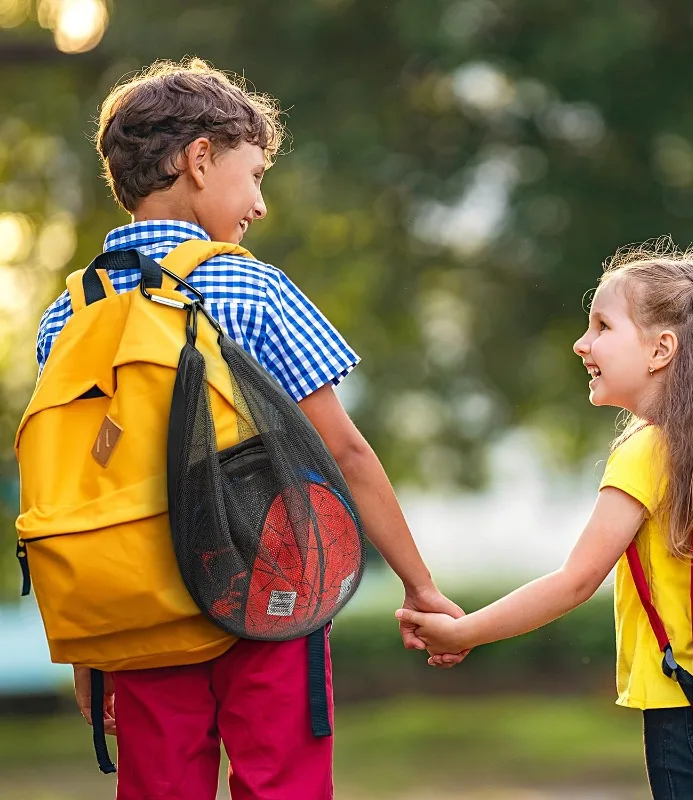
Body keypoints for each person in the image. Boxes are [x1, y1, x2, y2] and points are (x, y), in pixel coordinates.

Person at [35, 57, 466, 800]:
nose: (259, 204)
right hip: (267, 594)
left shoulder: (65, 316)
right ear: (199, 160)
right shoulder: (248, 284)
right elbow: (344, 450)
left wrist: (91, 650)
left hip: (138, 615)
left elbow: (81, 489)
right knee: (283, 787)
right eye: (255, 173)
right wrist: (420, 585)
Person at [396, 241, 693, 798]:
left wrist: (465, 631)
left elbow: (575, 580)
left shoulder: (653, 450)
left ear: (661, 350)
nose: (582, 343)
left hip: (688, 712)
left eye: (603, 326)